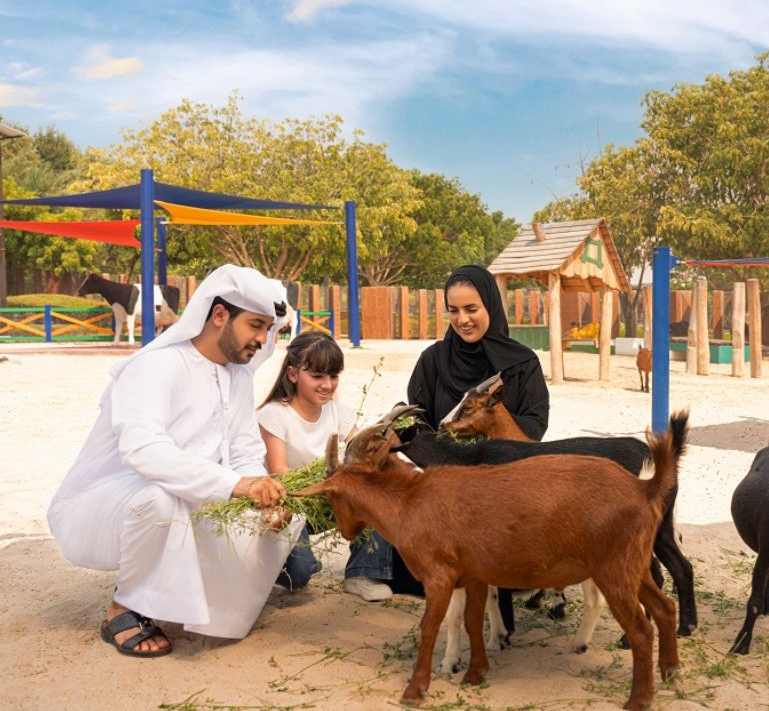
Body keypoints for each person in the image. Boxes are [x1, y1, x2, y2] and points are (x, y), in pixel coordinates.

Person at [47, 264, 301, 657]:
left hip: (191, 497)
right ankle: (123, 607)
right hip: (105, 505)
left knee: (285, 528)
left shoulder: (237, 377)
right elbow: (144, 451)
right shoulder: (155, 367)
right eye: (255, 326)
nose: (262, 340)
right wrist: (236, 485)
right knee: (164, 500)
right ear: (219, 315)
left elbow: (245, 450)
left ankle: (184, 594)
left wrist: (260, 492)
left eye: (268, 330)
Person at [342, 263, 549, 601]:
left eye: (471, 309)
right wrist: (440, 447)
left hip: (500, 476)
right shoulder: (434, 359)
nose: (462, 319)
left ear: (491, 307)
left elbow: (535, 423)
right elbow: (417, 416)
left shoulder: (522, 364)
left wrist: (483, 431)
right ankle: (366, 568)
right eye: (453, 310)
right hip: (442, 474)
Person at [258, 331, 356, 591]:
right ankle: (296, 564)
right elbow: (279, 472)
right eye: (317, 376)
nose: (327, 385)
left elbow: (359, 453)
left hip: (329, 500)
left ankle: (365, 570)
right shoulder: (275, 414)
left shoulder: (339, 412)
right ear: (293, 374)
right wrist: (328, 482)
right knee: (298, 577)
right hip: (293, 503)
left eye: (333, 376)